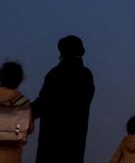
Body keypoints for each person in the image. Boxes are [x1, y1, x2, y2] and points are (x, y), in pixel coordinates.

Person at [32, 35, 95, 163]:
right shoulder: (86, 75)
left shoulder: (54, 74)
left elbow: (42, 104)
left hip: (50, 142)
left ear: (62, 53)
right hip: (75, 142)